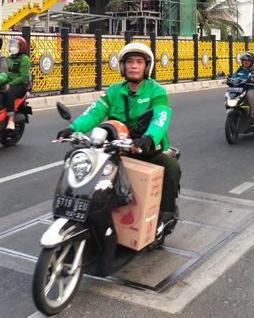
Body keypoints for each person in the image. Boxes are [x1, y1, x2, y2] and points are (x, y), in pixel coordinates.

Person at [56, 42, 180, 223]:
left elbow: (161, 117)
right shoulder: (113, 91)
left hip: (144, 146)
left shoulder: (156, 91)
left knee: (171, 167)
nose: (134, 66)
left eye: (139, 62)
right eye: (130, 62)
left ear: (147, 66)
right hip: (115, 145)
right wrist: (74, 128)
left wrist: (149, 138)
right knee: (74, 156)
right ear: (123, 66)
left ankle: (165, 215)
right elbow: (94, 112)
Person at [0, 35, 32, 130]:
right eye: (11, 45)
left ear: (21, 47)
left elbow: (23, 77)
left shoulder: (25, 59)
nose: (12, 47)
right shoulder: (8, 58)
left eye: (15, 45)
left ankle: (11, 120)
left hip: (20, 85)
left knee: (9, 93)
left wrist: (10, 84)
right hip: (8, 83)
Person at [229, 52, 254, 124]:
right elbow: (234, 77)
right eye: (244, 60)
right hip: (240, 89)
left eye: (248, 60)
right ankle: (231, 109)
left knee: (250, 96)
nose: (246, 62)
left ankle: (251, 116)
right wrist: (229, 80)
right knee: (229, 94)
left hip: (251, 88)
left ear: (251, 61)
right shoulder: (240, 70)